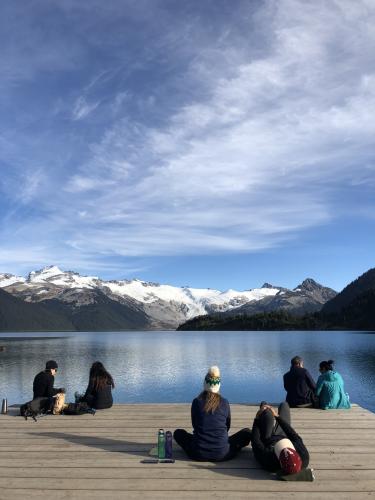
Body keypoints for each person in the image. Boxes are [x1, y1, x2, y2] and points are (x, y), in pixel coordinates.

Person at [173, 366, 251, 461]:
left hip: (198, 453)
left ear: (205, 384)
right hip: (222, 453)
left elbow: (195, 425)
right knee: (247, 433)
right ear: (218, 386)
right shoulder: (224, 402)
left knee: (178, 433)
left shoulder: (196, 402)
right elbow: (227, 426)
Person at [251, 401, 310, 476]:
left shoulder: (269, 462)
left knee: (266, 412)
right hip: (283, 435)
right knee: (284, 405)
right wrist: (277, 416)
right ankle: (266, 408)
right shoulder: (304, 457)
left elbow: (256, 441)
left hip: (267, 438)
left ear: (280, 463)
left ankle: (264, 406)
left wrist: (257, 418)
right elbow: (292, 434)